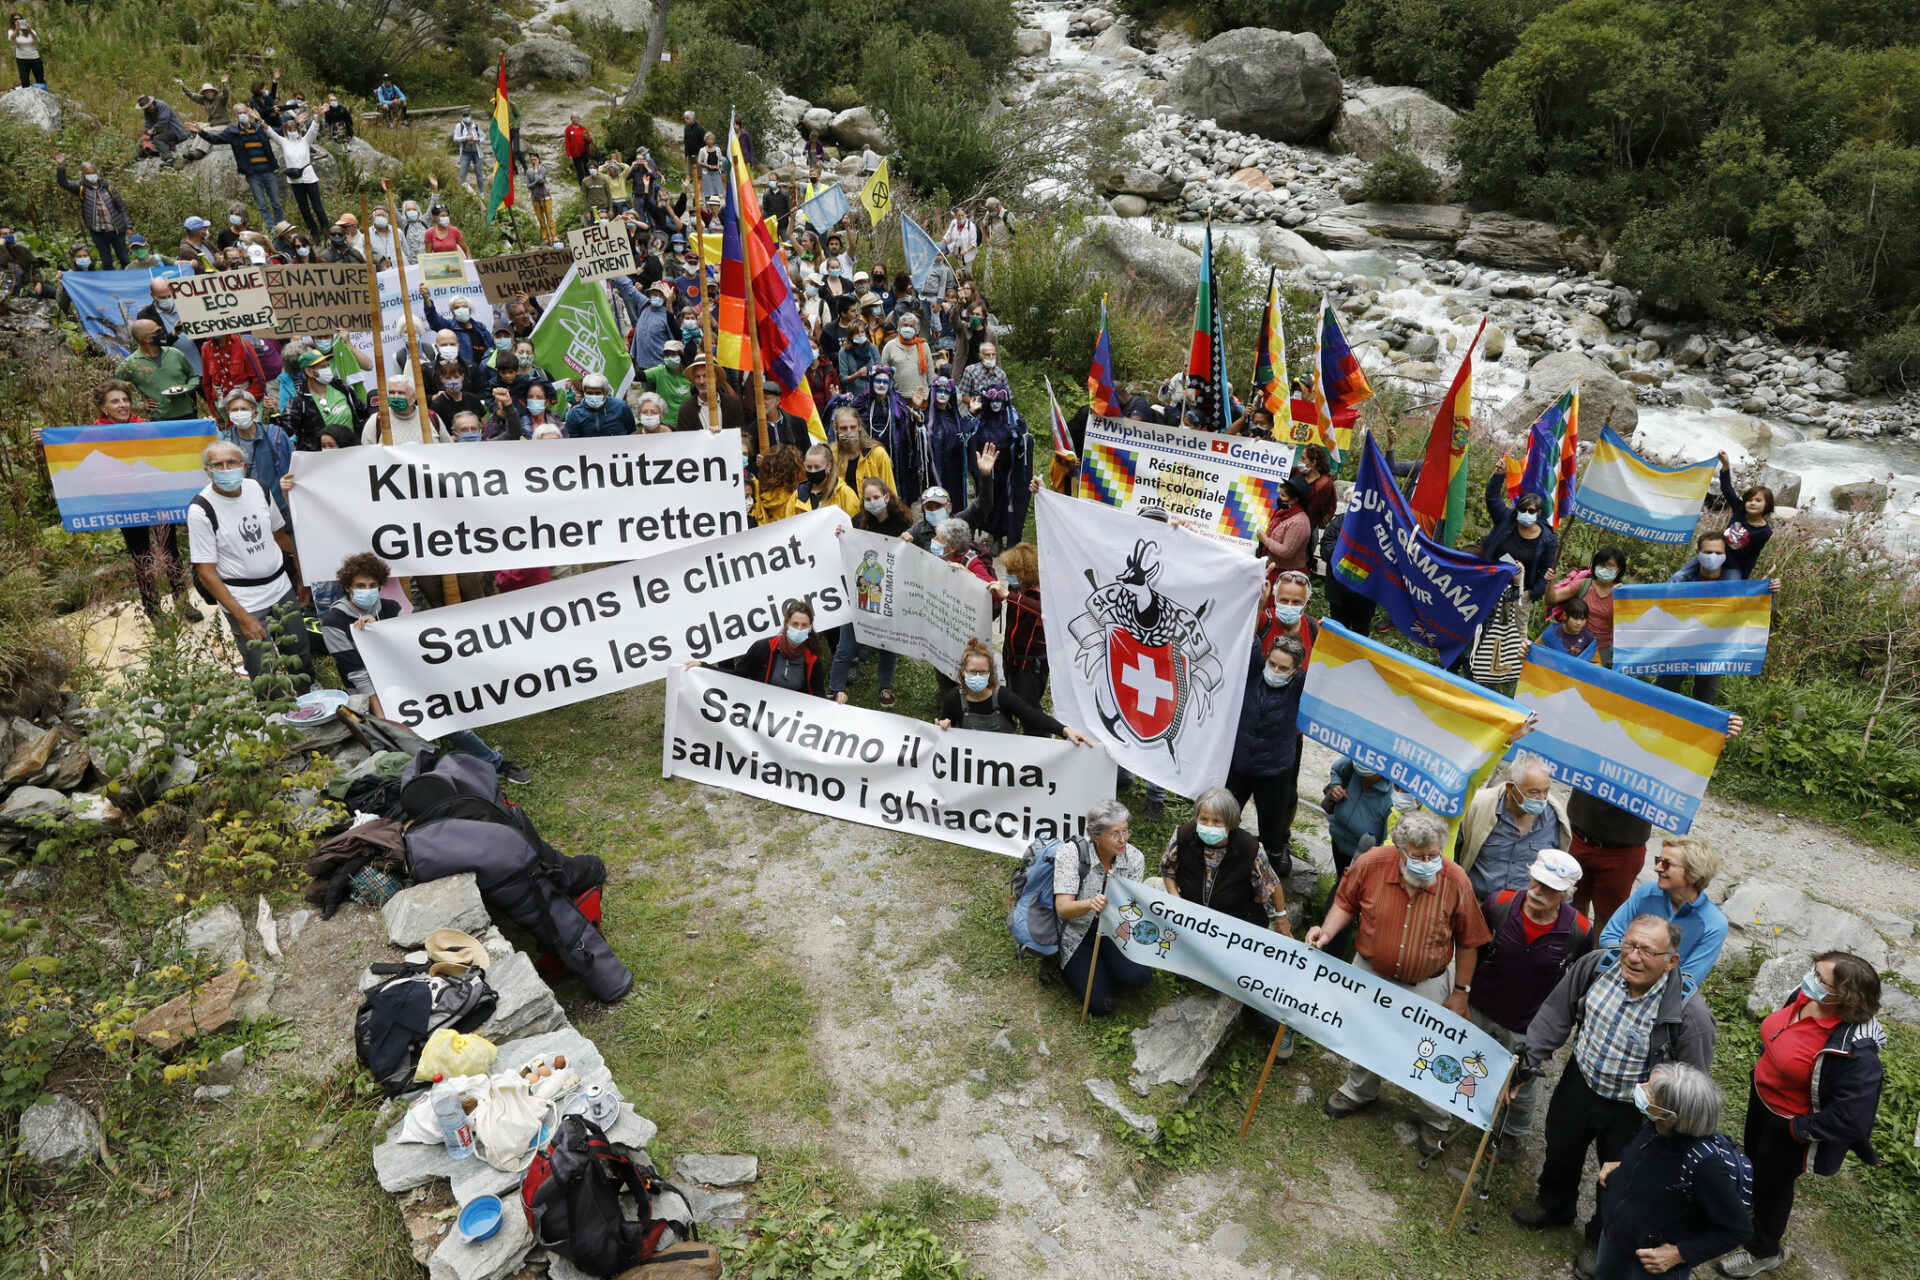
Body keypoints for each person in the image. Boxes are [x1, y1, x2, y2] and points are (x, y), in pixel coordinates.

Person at [1510, 915, 1717, 1269]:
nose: (1633, 957)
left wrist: (1666, 1130)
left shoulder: (1690, 1013)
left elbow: (1691, 1082)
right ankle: (1554, 1205)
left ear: (1671, 961)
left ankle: (1599, 1237)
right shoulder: (1596, 966)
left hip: (1631, 1108)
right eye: (1630, 945)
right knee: (1561, 1147)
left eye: (1647, 951)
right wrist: (1529, 1060)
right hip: (1581, 1080)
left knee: (1621, 1176)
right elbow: (1556, 1013)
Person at [1306, 811, 1490, 1157]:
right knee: (1364, 1035)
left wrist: (1460, 993)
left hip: (1427, 982)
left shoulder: (1455, 880)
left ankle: (1435, 1117)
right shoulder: (1372, 863)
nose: (1427, 862)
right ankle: (1360, 1089)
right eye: (1418, 856)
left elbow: (1469, 941)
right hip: (1371, 972)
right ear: (1400, 849)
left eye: (1433, 854)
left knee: (1430, 1050)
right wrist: (1327, 931)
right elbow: (1345, 901)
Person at [1717, 953, 1884, 1278]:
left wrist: (1798, 1128)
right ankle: (1748, 1208)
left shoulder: (1857, 1054)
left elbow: (1852, 1118)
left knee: (1774, 1184)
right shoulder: (1806, 995)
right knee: (1754, 1161)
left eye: (1820, 978)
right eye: (1814, 971)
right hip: (1763, 1099)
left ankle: (1763, 1250)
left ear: (1844, 996)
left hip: (1791, 1124)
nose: (1809, 979)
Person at [1468, 850, 1593, 1162]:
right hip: (1480, 1004)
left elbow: (1578, 983)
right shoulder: (1499, 903)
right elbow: (1474, 947)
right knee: (1467, 1060)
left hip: (1527, 1023)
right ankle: (1458, 1105)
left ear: (1567, 895)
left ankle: (1510, 1133)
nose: (1538, 891)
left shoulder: (1579, 930)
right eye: (1537, 882)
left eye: (1550, 888)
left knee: (1520, 1083)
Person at [1162, 786, 1294, 1054]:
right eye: (1204, 819)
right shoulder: (1184, 835)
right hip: (1197, 925)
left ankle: (1280, 1024)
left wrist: (1282, 920)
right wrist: (1175, 900)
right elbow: (1168, 869)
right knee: (1186, 972)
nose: (1209, 826)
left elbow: (1271, 885)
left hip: (1238, 928)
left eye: (1217, 821)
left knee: (1250, 984)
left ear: (1231, 823)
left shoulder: (1249, 848)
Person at [1596, 1064, 1753, 1280]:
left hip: (1651, 1267)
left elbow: (1738, 1230)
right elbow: (1645, 1157)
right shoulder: (1654, 1125)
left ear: (1670, 1114)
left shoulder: (1706, 1166)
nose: (1640, 1088)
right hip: (1615, 1238)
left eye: (1649, 1090)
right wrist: (1622, 1164)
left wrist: (1679, 1254)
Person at [188, 440, 312, 698]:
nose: (225, 468)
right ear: (207, 470)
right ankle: (274, 713)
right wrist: (243, 617)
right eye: (217, 465)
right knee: (261, 664)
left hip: (280, 587)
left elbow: (279, 535)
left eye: (231, 462)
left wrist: (301, 577)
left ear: (243, 466)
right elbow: (206, 573)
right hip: (244, 598)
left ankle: (309, 695)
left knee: (298, 649)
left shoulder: (258, 488)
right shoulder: (201, 509)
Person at [87, 380, 204, 623]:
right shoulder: (93, 434)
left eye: (125, 400)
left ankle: (182, 603)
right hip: (125, 501)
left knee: (170, 548)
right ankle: (152, 609)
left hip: (157, 496)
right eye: (115, 401)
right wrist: (45, 441)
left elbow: (171, 450)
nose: (122, 405)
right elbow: (70, 455)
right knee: (141, 555)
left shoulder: (144, 427)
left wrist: (204, 429)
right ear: (102, 407)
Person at [1054, 799, 1151, 1016]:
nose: (1123, 839)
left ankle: (1106, 965)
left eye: (1125, 831)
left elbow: (1131, 907)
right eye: (1114, 834)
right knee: (1101, 1005)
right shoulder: (1071, 854)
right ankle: (1077, 966)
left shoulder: (1134, 859)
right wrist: (1089, 904)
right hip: (1077, 932)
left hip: (1113, 929)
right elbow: (1063, 908)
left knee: (1140, 977)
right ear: (1096, 836)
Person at [1597, 837, 1729, 993]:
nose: (1657, 868)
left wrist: (1636, 961)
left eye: (1666, 864)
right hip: (1617, 980)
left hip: (1661, 998)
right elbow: (1608, 937)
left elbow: (1688, 980)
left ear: (1693, 875)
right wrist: (1645, 963)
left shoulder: (1714, 924)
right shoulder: (1646, 892)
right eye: (1658, 861)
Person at [1226, 633, 1306, 874]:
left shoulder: (1299, 688)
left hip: (1274, 772)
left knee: (1272, 834)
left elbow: (1327, 675)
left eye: (1283, 668)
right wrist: (1259, 603)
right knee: (1222, 819)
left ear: (1295, 671)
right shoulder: (1253, 671)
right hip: (1239, 766)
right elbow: (1249, 634)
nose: (1275, 670)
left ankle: (1271, 862)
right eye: (1272, 664)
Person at [1458, 753, 1570, 899]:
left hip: (1523, 911)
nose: (1542, 799)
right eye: (1534, 792)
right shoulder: (1479, 807)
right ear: (1511, 788)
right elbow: (1455, 854)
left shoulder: (1555, 818)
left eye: (1546, 791)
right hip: (1477, 905)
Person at [937, 638, 1090, 742]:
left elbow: (1032, 716)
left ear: (989, 673)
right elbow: (945, 728)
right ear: (963, 672)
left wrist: (1065, 731)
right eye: (972, 671)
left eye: (982, 672)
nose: (977, 676)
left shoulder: (1002, 696)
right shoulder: (954, 698)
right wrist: (943, 726)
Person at [1568, 792, 1655, 939]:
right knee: (1571, 902)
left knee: (1608, 919)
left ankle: (1595, 960)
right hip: (1579, 834)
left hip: (1623, 850)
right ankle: (1573, 955)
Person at [192, 106, 285, 230]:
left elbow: (278, 131)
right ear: (235, 115)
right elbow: (215, 139)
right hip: (252, 175)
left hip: (268, 170)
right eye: (239, 113)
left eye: (244, 112)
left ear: (248, 112)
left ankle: (281, 226)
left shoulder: (259, 127)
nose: (242, 115)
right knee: (262, 204)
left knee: (276, 202)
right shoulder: (232, 131)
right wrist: (201, 132)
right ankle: (271, 228)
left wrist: (296, 124)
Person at [718, 599, 829, 695]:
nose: (799, 629)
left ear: (810, 628)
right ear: (786, 624)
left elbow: (818, 696)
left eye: (804, 625)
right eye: (795, 624)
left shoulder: (812, 661)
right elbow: (738, 675)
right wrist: (704, 668)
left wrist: (837, 699)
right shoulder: (762, 648)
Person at [219, 389, 293, 524]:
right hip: (246, 517)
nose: (239, 413)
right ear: (228, 414)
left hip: (280, 512)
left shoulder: (275, 435)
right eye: (234, 410)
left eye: (243, 409)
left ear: (255, 413)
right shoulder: (224, 442)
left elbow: (293, 467)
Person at [1483, 474, 1560, 603]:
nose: (1526, 513)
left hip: (1519, 595)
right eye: (1522, 510)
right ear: (1517, 509)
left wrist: (1531, 594)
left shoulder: (1548, 540)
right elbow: (1492, 497)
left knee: (1513, 624)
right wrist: (1499, 475)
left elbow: (1546, 570)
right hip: (1489, 582)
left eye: (1531, 511)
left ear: (1539, 512)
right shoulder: (1506, 519)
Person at [1547, 547, 1627, 667]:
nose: (1605, 568)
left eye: (1610, 565)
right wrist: (1551, 582)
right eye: (1601, 564)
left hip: (1601, 650)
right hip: (1574, 643)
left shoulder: (1620, 592)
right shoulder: (1583, 584)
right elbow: (1552, 598)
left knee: (1587, 683)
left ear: (1619, 569)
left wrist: (1624, 595)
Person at [52, 154, 131, 270]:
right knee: (107, 260)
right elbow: (64, 183)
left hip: (116, 230)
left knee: (124, 258)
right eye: (87, 173)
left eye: (92, 172)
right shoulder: (81, 188)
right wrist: (61, 166)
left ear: (97, 173)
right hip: (98, 232)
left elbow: (122, 207)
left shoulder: (109, 188)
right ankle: (111, 284)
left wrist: (128, 226)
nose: (91, 175)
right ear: (83, 175)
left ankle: (130, 280)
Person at [1321, 757, 1395, 881]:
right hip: (1338, 837)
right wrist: (1336, 785)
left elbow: (1386, 841)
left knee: (1345, 886)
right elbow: (1336, 769)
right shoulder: (1353, 762)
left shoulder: (1391, 797)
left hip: (1362, 854)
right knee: (1341, 876)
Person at [998, 540, 1049, 713]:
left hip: (1031, 665)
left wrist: (1010, 597)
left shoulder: (1043, 593)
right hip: (1011, 657)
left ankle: (1039, 738)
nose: (1007, 574)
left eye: (1011, 571)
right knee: (1010, 700)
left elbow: (1043, 611)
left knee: (1029, 709)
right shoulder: (1016, 588)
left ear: (1025, 572)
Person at [282, 349, 366, 452]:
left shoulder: (342, 388)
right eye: (322, 367)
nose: (327, 370)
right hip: (320, 460)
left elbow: (364, 412)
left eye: (327, 365)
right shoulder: (298, 402)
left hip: (352, 452)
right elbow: (284, 430)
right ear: (309, 372)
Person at [116, 320, 199, 420]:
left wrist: (186, 388)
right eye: (157, 332)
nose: (162, 334)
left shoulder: (174, 353)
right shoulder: (130, 364)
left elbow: (194, 377)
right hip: (159, 420)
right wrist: (138, 405)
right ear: (145, 338)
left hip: (187, 415)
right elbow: (111, 390)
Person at [1717, 452, 1774, 583]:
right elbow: (1727, 489)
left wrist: (1744, 578)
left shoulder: (1765, 531)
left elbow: (1753, 555)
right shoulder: (1739, 510)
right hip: (1715, 554)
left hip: (1733, 566)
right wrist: (1725, 465)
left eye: (1758, 500)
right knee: (1682, 575)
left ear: (1767, 505)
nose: (1752, 503)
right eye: (1749, 499)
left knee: (1733, 588)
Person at [363, 375, 447, 445]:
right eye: (392, 392)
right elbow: (366, 456)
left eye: (401, 393)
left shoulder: (431, 417)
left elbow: (448, 449)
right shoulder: (376, 421)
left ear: (414, 397)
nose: (396, 396)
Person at [1257, 474, 1313, 575]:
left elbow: (1285, 551)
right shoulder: (1284, 513)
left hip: (1285, 576)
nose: (1279, 498)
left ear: (1295, 499)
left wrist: (1265, 539)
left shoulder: (1299, 522)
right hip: (1272, 569)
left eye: (1283, 496)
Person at [675, 356, 745, 433]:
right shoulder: (686, 410)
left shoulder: (732, 404)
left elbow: (741, 435)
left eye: (706, 376)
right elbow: (685, 441)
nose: (701, 381)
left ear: (716, 378)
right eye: (697, 377)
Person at [564, 372, 635, 437]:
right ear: (584, 392)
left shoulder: (621, 407)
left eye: (598, 393)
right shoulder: (575, 413)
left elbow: (632, 433)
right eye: (589, 393)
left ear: (606, 393)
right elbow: (572, 441)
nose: (593, 396)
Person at [1540, 596, 1598, 661]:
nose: (1579, 623)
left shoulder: (1589, 638)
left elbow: (1596, 664)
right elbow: (1536, 652)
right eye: (1575, 618)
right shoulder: (1551, 634)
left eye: (1582, 619)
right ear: (1565, 616)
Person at [1295, 444, 1338, 530]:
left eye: (1303, 458)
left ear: (1313, 463)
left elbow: (1312, 511)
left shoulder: (1325, 484)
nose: (1299, 461)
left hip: (1305, 529)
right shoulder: (1297, 473)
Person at [452, 107, 487, 191]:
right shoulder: (459, 126)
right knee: (462, 175)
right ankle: (462, 193)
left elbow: (483, 136)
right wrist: (465, 138)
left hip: (476, 153)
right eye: (464, 116)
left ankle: (482, 194)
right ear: (462, 116)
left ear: (470, 115)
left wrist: (477, 140)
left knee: (479, 175)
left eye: (467, 115)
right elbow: (455, 138)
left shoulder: (475, 126)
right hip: (465, 153)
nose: (466, 117)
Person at [524, 150, 556, 241]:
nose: (533, 161)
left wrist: (536, 171)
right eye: (532, 160)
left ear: (538, 159)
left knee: (550, 220)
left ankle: (554, 238)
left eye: (535, 159)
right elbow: (529, 186)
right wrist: (537, 181)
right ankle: (546, 239)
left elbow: (539, 178)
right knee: (541, 221)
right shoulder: (528, 171)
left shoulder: (542, 169)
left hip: (545, 197)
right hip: (535, 198)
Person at [9, 12, 43, 88]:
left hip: (35, 58)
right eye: (15, 19)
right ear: (12, 21)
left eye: (20, 19)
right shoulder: (11, 31)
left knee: (40, 80)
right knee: (25, 81)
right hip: (22, 59)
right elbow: (12, 39)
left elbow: (37, 40)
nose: (18, 21)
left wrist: (30, 30)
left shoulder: (30, 30)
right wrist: (17, 29)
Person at [697, 132, 724, 202]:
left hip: (716, 173)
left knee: (716, 192)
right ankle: (708, 210)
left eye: (711, 139)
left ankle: (716, 208)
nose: (710, 141)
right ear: (705, 140)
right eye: (708, 139)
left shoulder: (718, 149)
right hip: (707, 173)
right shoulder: (702, 150)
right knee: (708, 193)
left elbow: (721, 160)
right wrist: (707, 166)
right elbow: (699, 161)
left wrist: (719, 165)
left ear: (714, 140)